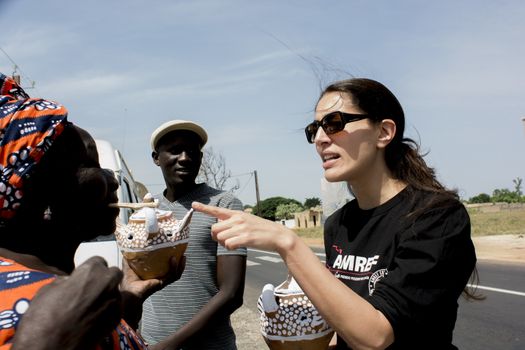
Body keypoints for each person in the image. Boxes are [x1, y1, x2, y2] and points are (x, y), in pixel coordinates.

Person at [192, 78, 477, 349]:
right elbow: (342, 321)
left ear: (384, 132)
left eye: (334, 123)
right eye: (314, 128)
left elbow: (375, 337)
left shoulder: (436, 216)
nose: (319, 138)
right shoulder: (340, 223)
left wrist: (287, 243)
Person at [0, 73, 183, 350]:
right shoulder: (38, 317)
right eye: (90, 163)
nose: (111, 179)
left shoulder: (69, 303)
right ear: (43, 193)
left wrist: (129, 301)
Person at [140, 120, 246, 349]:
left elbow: (232, 293)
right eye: (175, 150)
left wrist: (171, 345)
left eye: (192, 151)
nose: (185, 158)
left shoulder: (224, 205)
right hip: (150, 342)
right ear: (156, 158)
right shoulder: (147, 209)